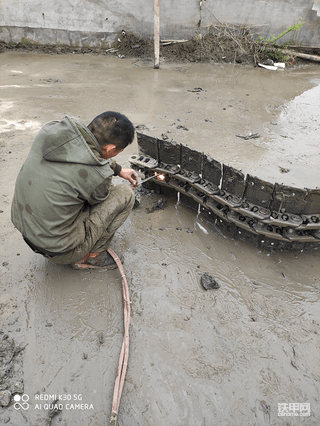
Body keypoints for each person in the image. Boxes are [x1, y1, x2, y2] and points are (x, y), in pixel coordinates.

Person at [11, 111, 139, 270]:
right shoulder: (99, 177)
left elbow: (85, 150)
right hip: (59, 251)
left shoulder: (50, 131)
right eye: (117, 151)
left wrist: (118, 169)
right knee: (125, 195)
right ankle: (93, 257)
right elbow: (99, 199)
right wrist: (107, 174)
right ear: (111, 148)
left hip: (26, 231)